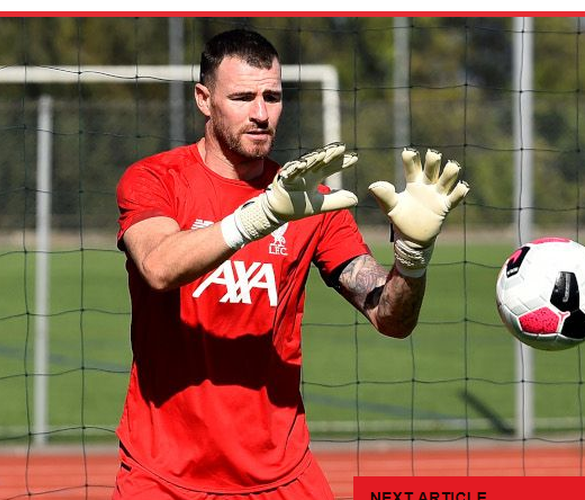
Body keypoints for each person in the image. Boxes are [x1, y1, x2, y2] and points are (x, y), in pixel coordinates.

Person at [113, 28, 469, 500]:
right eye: (242, 97)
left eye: (272, 97)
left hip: (281, 476)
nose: (261, 113)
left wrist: (412, 258)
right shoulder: (155, 179)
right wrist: (259, 216)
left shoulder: (309, 201)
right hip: (163, 477)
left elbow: (390, 317)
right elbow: (158, 265)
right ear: (204, 99)